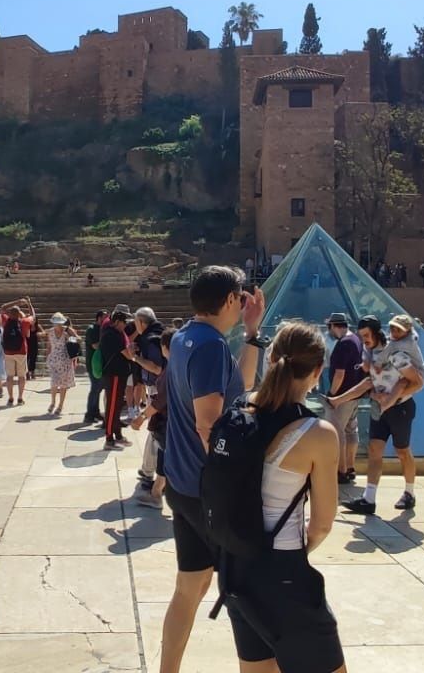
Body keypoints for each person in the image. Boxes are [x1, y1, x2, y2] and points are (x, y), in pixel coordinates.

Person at [218, 321, 346, 673]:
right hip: (283, 574)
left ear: (271, 358)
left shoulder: (239, 410)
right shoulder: (317, 434)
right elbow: (321, 524)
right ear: (318, 371)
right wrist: (297, 553)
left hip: (235, 569)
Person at [157, 265, 264, 673]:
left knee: (191, 586)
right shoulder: (210, 347)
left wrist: (254, 334)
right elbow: (209, 422)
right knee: (243, 592)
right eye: (241, 298)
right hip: (209, 492)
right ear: (231, 299)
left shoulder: (188, 337)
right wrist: (234, 478)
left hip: (184, 487)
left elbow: (245, 385)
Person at [331, 314, 424, 516]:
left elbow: (417, 382)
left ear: (375, 333)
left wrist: (394, 397)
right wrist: (373, 394)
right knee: (375, 451)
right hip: (379, 409)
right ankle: (369, 499)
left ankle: (409, 493)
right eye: (361, 335)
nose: (364, 339)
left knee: (402, 451)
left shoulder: (398, 354)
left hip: (400, 409)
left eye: (366, 335)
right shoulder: (370, 353)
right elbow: (370, 381)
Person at [130, 333, 173, 509]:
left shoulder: (171, 370)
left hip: (168, 421)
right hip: (175, 421)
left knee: (165, 457)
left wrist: (141, 417)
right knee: (166, 456)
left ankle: (156, 494)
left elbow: (160, 400)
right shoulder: (181, 366)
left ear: (165, 348)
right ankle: (157, 492)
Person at [323, 313, 366, 485]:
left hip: (342, 397)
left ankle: (340, 471)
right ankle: (350, 467)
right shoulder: (356, 340)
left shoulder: (343, 344)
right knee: (351, 431)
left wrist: (332, 395)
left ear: (334, 326)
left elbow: (340, 374)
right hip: (355, 394)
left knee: (337, 431)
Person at [98, 310, 135, 450]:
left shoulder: (115, 333)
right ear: (118, 321)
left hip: (119, 374)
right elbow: (126, 354)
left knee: (117, 405)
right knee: (112, 407)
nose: (126, 325)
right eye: (125, 322)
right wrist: (133, 355)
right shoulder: (112, 334)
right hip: (114, 375)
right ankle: (109, 439)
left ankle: (118, 435)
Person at [0, 298, 36, 405]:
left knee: (9, 376)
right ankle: (20, 397)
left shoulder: (5, 321)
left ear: (10, 314)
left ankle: (10, 397)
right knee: (21, 376)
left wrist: (17, 302)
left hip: (8, 352)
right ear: (19, 314)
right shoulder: (24, 322)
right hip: (21, 352)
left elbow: (3, 307)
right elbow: (33, 316)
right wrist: (29, 304)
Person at [46, 313, 79, 416]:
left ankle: (60, 405)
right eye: (55, 323)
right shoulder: (50, 332)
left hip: (65, 361)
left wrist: (70, 335)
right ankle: (53, 401)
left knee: (63, 384)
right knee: (54, 382)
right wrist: (47, 356)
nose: (57, 325)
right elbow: (49, 345)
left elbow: (77, 339)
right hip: (54, 360)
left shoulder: (66, 331)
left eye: (59, 323)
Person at [83, 310, 108, 424]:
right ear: (98, 318)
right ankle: (89, 414)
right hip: (93, 363)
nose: (107, 319)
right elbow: (95, 346)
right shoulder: (92, 329)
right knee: (95, 389)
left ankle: (95, 412)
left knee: (98, 389)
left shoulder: (104, 329)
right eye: (104, 317)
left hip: (101, 364)